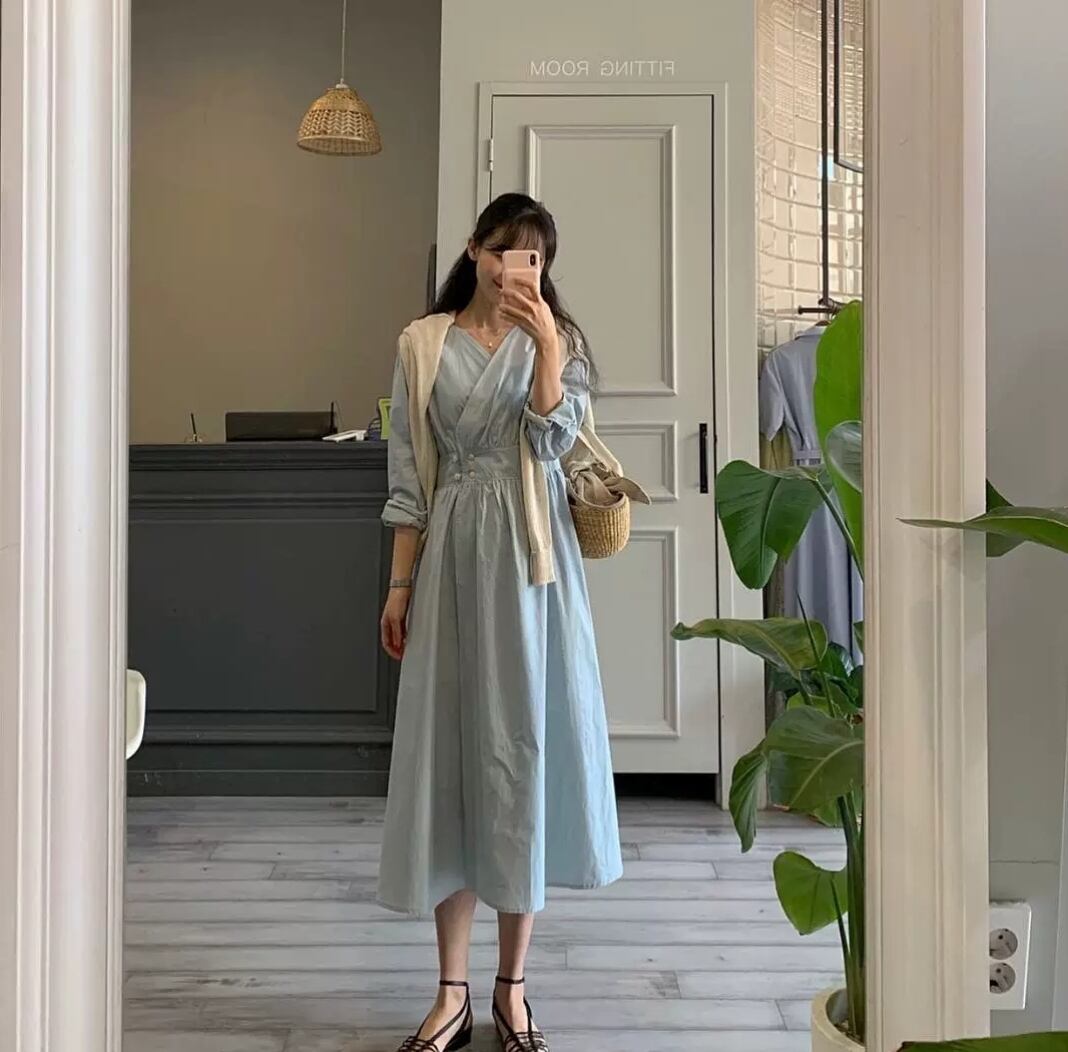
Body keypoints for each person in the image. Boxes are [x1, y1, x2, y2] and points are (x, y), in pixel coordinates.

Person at [377, 192, 624, 1052]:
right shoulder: (422, 344)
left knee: (525, 757)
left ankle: (512, 989)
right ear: (475, 249)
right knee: (450, 761)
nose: (516, 269)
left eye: (534, 258)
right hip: (451, 557)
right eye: (503, 251)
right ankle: (450, 992)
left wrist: (548, 346)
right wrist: (399, 585)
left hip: (532, 564)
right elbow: (408, 477)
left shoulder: (560, 342)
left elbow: (555, 445)